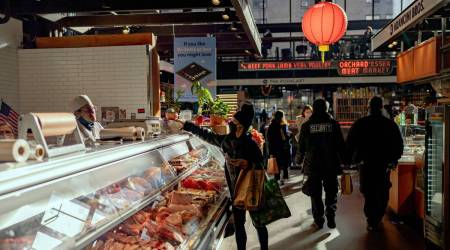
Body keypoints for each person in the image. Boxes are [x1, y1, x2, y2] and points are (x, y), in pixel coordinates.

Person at [178, 103, 268, 250]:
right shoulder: (227, 140)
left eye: (234, 122)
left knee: (259, 222)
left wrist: (248, 163)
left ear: (241, 126)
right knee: (239, 224)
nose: (231, 123)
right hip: (235, 189)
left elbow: (262, 164)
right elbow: (207, 136)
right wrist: (188, 126)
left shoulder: (251, 144)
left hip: (251, 188)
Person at [346, 96, 404, 231]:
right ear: (381, 107)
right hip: (384, 164)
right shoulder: (390, 124)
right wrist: (394, 159)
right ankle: (378, 215)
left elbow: (350, 143)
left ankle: (371, 218)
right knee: (383, 189)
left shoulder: (360, 123)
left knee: (368, 190)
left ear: (368, 107)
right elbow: (398, 144)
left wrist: (349, 160)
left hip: (365, 163)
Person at [296, 99, 346, 229]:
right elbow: (340, 144)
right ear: (326, 109)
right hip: (331, 164)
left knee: (315, 194)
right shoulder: (333, 124)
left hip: (313, 165)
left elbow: (301, 145)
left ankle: (318, 220)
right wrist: (346, 160)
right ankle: (331, 216)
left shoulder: (307, 125)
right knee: (331, 191)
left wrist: (299, 159)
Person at [267, 110, 291, 183]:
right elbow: (285, 137)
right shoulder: (283, 126)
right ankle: (284, 178)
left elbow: (269, 139)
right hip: (283, 148)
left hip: (274, 148)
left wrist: (270, 151)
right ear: (282, 117)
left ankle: (277, 179)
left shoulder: (271, 126)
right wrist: (290, 135)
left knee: (276, 164)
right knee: (284, 163)